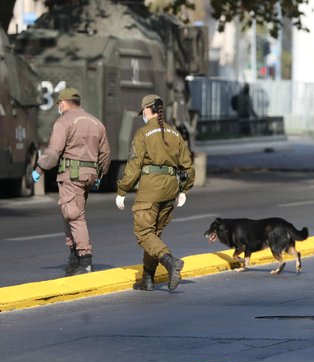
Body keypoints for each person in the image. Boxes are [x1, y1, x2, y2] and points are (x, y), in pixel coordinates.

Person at [115, 95, 195, 292]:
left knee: (144, 233)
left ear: (147, 110)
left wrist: (122, 190)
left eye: (142, 111)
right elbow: (188, 166)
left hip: (150, 188)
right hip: (170, 189)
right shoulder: (176, 134)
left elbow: (134, 166)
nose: (141, 114)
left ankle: (169, 261)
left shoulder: (142, 133)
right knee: (154, 235)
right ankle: (148, 278)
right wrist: (184, 189)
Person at [32, 87, 111, 276]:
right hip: (89, 175)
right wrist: (100, 175)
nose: (59, 106)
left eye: (59, 103)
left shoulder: (64, 122)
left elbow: (53, 152)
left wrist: (39, 169)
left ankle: (85, 259)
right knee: (70, 212)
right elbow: (106, 154)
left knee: (74, 215)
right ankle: (74, 257)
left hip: (72, 174)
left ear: (63, 103)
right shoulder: (96, 122)